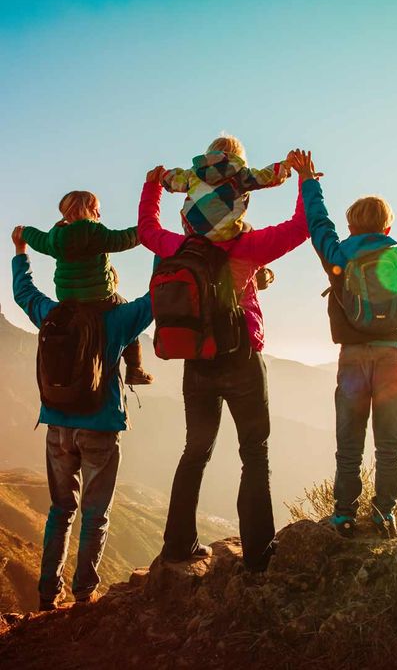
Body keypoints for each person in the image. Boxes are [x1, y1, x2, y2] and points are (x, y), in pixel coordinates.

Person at [138, 154, 310, 572]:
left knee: (194, 452)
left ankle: (178, 546)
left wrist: (152, 186)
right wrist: (305, 181)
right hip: (241, 360)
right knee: (254, 453)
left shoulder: (178, 246)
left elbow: (147, 231)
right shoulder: (246, 246)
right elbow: (301, 228)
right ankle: (257, 555)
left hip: (196, 362)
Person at [289, 151, 397, 537]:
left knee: (349, 443)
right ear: (387, 224)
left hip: (352, 359)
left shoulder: (338, 257)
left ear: (351, 225)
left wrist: (308, 180)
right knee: (390, 445)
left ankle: (343, 514)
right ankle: (384, 513)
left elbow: (319, 224)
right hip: (391, 356)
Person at [11, 226, 153, 610]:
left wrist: (21, 252)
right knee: (95, 512)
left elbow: (23, 293)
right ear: (103, 272)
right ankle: (84, 593)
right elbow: (154, 300)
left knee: (60, 511)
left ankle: (47, 594)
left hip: (57, 426)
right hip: (100, 427)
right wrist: (162, 247)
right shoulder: (117, 319)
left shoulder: (51, 314)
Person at [17, 189, 153, 385]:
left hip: (68, 300)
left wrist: (24, 233)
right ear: (87, 210)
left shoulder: (55, 238)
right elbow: (124, 239)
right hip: (100, 300)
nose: (99, 215)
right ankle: (135, 368)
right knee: (126, 314)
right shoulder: (96, 233)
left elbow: (38, 240)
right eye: (97, 210)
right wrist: (148, 230)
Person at [161, 133, 290, 241]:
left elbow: (173, 180)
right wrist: (285, 166)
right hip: (226, 233)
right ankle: (260, 269)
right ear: (238, 157)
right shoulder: (240, 174)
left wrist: (162, 175)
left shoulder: (193, 173)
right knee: (248, 230)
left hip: (193, 231)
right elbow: (265, 176)